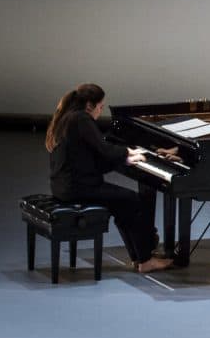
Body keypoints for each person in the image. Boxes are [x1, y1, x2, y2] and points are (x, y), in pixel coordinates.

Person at [45, 83, 172, 273]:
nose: (100, 110)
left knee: (123, 204)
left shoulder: (67, 118)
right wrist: (127, 153)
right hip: (78, 188)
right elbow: (104, 150)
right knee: (132, 200)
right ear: (90, 105)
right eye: (100, 106)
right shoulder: (82, 119)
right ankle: (145, 259)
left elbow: (91, 158)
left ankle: (140, 258)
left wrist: (125, 158)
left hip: (64, 186)